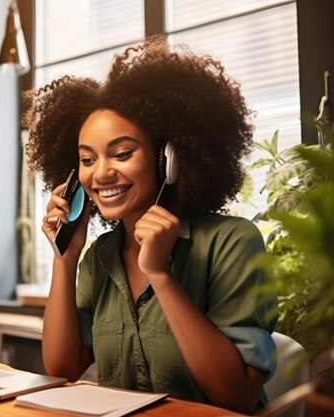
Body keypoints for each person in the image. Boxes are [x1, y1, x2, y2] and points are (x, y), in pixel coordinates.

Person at [22, 35, 278, 414]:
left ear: (168, 159)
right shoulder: (99, 257)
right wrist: (65, 258)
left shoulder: (231, 242)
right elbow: (62, 369)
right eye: (87, 160)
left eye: (122, 153)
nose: (102, 174)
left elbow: (236, 396)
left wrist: (160, 274)